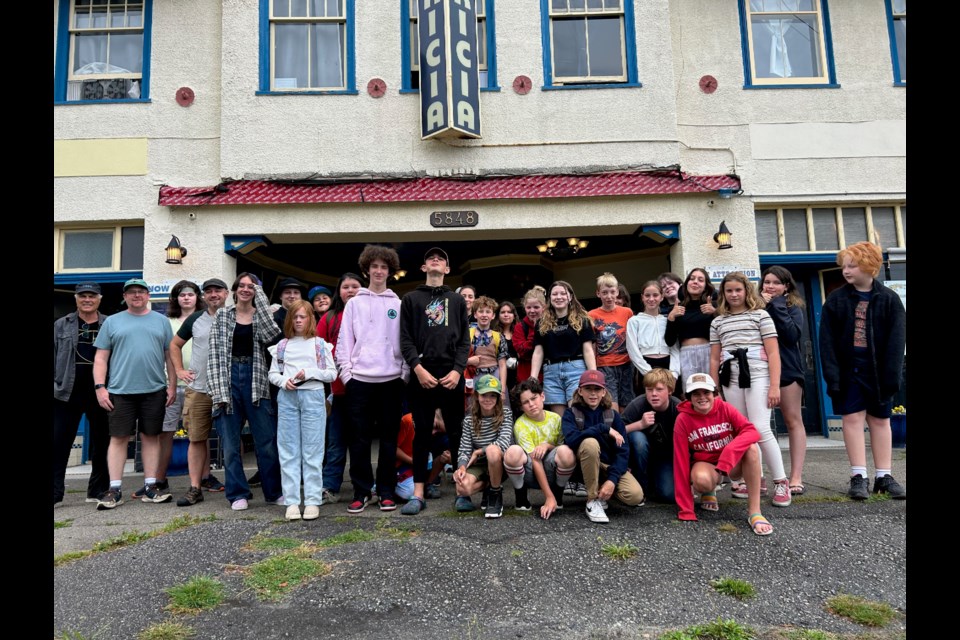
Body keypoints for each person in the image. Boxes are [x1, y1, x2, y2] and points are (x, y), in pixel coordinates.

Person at [819, 242, 906, 500]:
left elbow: (896, 340)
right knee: (852, 419)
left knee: (881, 420)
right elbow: (827, 342)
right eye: (844, 265)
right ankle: (859, 475)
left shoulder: (889, 299)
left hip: (879, 372)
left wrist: (892, 376)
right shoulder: (836, 299)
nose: (846, 270)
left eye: (852, 265)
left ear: (869, 265)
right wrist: (833, 376)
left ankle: (883, 476)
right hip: (850, 370)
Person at [92, 278, 177, 509]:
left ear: (148, 295)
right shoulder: (112, 322)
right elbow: (101, 358)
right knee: (119, 438)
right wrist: (100, 388)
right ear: (125, 296)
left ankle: (151, 486)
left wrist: (172, 386)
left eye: (141, 291)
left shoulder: (161, 322)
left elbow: (170, 356)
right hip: (120, 391)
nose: (136, 295)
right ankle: (114, 489)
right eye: (132, 292)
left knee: (151, 437)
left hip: (154, 390)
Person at [399, 247, 471, 515]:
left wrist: (458, 371)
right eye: (430, 258)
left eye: (442, 258)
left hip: (452, 374)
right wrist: (417, 369)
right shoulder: (411, 299)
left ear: (447, 269)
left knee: (457, 434)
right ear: (423, 267)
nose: (436, 260)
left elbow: (465, 341)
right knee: (421, 435)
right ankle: (418, 494)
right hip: (422, 375)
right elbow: (404, 339)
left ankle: (461, 492)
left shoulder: (457, 300)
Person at [338, 245, 409, 513]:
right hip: (360, 381)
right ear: (366, 269)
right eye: (374, 266)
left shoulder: (397, 304)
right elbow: (344, 341)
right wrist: (348, 375)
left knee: (389, 441)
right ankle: (361, 491)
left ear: (390, 272)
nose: (379, 271)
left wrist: (403, 373)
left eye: (384, 267)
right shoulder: (354, 303)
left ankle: (386, 491)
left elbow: (404, 341)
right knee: (359, 440)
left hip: (391, 380)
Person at [709, 271, 790, 508]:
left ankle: (781, 481)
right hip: (730, 377)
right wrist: (715, 388)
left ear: (746, 291)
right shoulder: (718, 321)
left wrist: (775, 385)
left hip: (758, 375)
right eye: (729, 290)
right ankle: (755, 478)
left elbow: (773, 352)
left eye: (738, 290)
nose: (734, 294)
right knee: (740, 429)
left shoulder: (761, 316)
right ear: (723, 294)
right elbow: (714, 358)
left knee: (760, 427)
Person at [206, 273, 284, 511]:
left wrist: (259, 299)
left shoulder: (263, 316)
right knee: (230, 444)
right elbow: (215, 353)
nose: (246, 289)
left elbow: (272, 337)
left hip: (256, 378)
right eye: (242, 285)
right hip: (228, 377)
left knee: (267, 442)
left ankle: (273, 492)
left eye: (252, 287)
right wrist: (218, 392)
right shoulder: (223, 315)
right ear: (235, 289)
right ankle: (238, 493)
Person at [673, 373, 771, 535]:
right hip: (707, 465)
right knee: (702, 480)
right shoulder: (683, 419)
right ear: (689, 398)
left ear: (714, 394)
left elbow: (752, 432)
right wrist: (686, 510)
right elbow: (680, 461)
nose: (702, 397)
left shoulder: (725, 408)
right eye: (696, 394)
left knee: (752, 448)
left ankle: (755, 512)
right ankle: (708, 490)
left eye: (706, 393)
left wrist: (729, 452)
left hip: (732, 465)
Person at [268, 300, 337, 520]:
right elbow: (273, 374)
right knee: (288, 449)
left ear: (310, 319)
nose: (298, 320)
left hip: (313, 396)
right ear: (289, 320)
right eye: (295, 317)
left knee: (313, 450)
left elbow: (331, 374)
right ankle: (291, 502)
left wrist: (309, 373)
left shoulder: (319, 345)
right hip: (287, 398)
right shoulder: (282, 346)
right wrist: (283, 381)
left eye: (303, 317)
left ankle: (313, 500)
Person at [143, 280, 209, 501]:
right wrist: (174, 377)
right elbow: (166, 351)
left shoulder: (205, 319)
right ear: (175, 299)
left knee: (199, 435)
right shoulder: (166, 323)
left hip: (199, 385)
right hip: (170, 385)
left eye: (191, 294)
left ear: (197, 297)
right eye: (182, 295)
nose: (187, 298)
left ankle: (205, 477)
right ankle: (159, 480)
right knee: (165, 433)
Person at [170, 278, 231, 507]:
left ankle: (235, 485)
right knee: (196, 439)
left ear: (227, 293)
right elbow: (174, 345)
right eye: (209, 291)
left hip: (227, 388)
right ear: (204, 296)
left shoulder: (236, 317)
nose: (213, 294)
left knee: (232, 440)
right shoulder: (196, 319)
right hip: (199, 389)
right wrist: (179, 370)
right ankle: (195, 487)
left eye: (218, 290)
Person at [561, 370, 644, 523]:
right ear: (580, 391)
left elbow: (623, 451)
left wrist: (612, 480)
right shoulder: (571, 413)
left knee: (635, 495)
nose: (593, 394)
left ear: (604, 391)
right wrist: (603, 428)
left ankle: (603, 491)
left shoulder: (612, 415)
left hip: (607, 466)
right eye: (588, 389)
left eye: (597, 389)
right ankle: (592, 500)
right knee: (590, 442)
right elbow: (571, 440)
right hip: (582, 465)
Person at [54, 282, 110, 505]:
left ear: (99, 298)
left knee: (102, 443)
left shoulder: (110, 323)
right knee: (58, 443)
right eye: (83, 296)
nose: (87, 299)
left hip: (101, 390)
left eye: (92, 296)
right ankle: (55, 493)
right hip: (66, 391)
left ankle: (97, 490)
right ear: (76, 299)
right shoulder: (61, 324)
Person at [316, 272, 364, 503]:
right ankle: (330, 486)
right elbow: (318, 350)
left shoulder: (368, 314)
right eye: (346, 287)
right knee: (336, 441)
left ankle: (362, 487)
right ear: (339, 291)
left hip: (366, 387)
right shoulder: (329, 317)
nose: (351, 290)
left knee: (360, 441)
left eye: (355, 286)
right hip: (338, 389)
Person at [761, 266, 808, 495]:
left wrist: (777, 305)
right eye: (767, 282)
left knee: (792, 420)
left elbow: (791, 336)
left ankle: (796, 476)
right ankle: (758, 475)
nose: (770, 286)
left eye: (776, 283)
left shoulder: (792, 307)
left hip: (788, 369)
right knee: (759, 425)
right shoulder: (756, 306)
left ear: (786, 286)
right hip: (761, 370)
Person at [503, 378, 576, 519]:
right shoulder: (521, 424)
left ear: (542, 396)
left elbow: (560, 449)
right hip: (530, 473)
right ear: (521, 407)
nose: (531, 404)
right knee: (513, 452)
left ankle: (558, 495)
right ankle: (521, 497)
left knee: (567, 452)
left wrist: (547, 445)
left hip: (552, 471)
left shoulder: (556, 419)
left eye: (534, 398)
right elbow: (535, 461)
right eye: (525, 402)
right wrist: (547, 496)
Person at [530, 281, 597, 416]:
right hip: (551, 372)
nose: (558, 297)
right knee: (559, 419)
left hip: (576, 369)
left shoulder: (582, 319)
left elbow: (588, 349)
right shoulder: (542, 322)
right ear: (550, 298)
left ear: (570, 297)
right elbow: (538, 352)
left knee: (577, 414)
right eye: (554, 294)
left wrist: (593, 375)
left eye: (563, 293)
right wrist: (533, 377)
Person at [453, 375, 514, 518]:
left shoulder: (506, 414)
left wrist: (479, 451)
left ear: (498, 398)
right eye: (484, 395)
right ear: (476, 396)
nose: (488, 399)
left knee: (492, 450)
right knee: (462, 487)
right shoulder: (469, 419)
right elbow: (465, 447)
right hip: (480, 462)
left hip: (499, 460)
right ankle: (488, 485)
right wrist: (461, 467)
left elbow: (504, 442)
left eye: (493, 395)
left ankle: (495, 493)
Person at [621, 368, 680, 503]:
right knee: (638, 438)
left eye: (659, 390)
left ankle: (655, 481)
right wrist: (640, 425)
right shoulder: (638, 404)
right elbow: (615, 431)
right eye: (649, 389)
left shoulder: (677, 408)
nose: (654, 394)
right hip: (640, 455)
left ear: (670, 390)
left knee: (668, 495)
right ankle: (641, 484)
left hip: (666, 457)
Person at [665, 268, 717, 394]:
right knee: (689, 392)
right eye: (692, 279)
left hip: (708, 352)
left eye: (700, 280)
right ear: (686, 283)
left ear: (706, 285)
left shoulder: (713, 306)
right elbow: (670, 341)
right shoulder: (678, 308)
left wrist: (715, 313)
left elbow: (724, 332)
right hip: (686, 354)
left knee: (711, 391)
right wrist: (671, 317)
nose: (695, 282)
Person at [589, 272, 635, 411]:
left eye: (612, 292)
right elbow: (592, 344)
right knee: (611, 405)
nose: (609, 296)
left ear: (617, 292)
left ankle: (626, 431)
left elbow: (632, 338)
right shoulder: (591, 315)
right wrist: (593, 367)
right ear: (598, 294)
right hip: (605, 365)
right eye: (605, 292)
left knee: (627, 404)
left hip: (626, 364)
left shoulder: (627, 312)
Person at [626, 280, 680, 389]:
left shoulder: (667, 320)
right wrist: (647, 372)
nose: (651, 299)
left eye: (655, 295)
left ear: (662, 296)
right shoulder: (634, 321)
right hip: (646, 365)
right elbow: (632, 349)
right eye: (647, 295)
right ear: (642, 297)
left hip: (667, 365)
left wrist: (674, 373)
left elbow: (674, 347)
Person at [465, 296, 508, 404]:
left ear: (493, 315)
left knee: (497, 409)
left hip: (494, 377)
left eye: (488, 312)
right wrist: (469, 361)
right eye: (481, 311)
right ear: (475, 314)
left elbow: (502, 365)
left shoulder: (499, 337)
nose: (484, 315)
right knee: (473, 408)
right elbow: (458, 358)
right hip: (474, 378)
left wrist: (502, 389)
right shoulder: (467, 335)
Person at [513, 288, 546, 383]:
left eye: (536, 307)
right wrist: (535, 331)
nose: (532, 311)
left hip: (549, 377)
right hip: (526, 377)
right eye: (529, 307)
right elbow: (522, 351)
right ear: (524, 307)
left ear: (543, 307)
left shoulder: (550, 325)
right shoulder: (520, 327)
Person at [494, 300, 520, 393]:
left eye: (509, 312)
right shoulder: (494, 334)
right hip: (499, 375)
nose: (506, 315)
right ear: (498, 316)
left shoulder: (520, 333)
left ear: (514, 315)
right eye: (503, 312)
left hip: (518, 376)